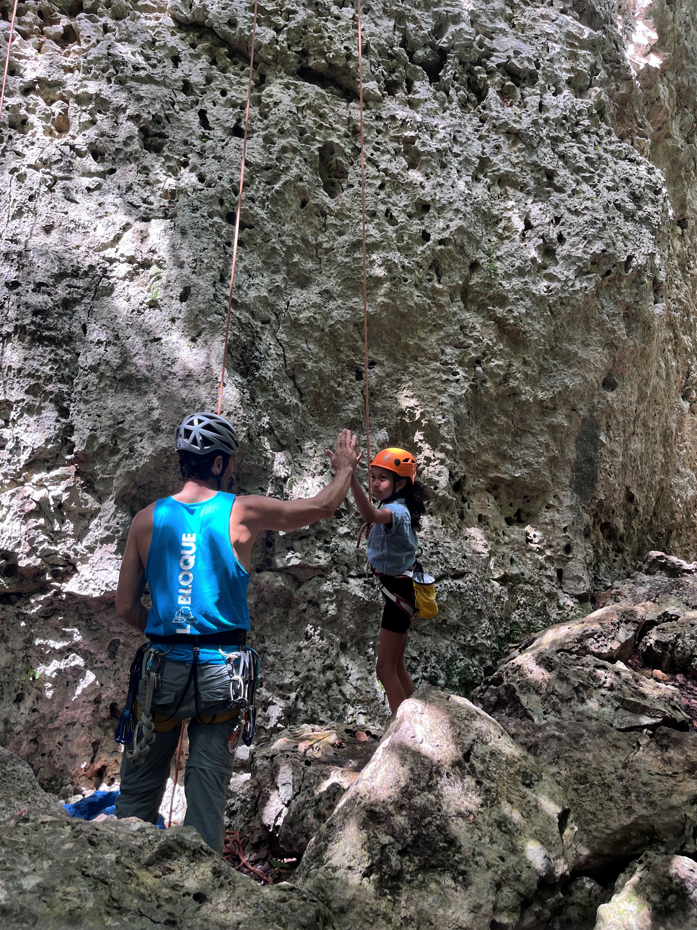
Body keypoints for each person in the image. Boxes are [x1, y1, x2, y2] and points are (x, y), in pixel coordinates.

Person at [114, 412, 358, 852]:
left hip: (162, 669)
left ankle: (120, 876)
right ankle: (201, 894)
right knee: (206, 794)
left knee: (136, 795)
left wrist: (165, 631)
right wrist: (344, 469)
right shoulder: (241, 510)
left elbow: (126, 606)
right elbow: (321, 507)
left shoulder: (145, 520)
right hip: (220, 671)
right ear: (222, 463)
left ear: (182, 460)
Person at [350, 447, 429, 714]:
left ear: (401, 484)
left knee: (384, 669)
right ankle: (420, 719)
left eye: (382, 478)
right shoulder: (397, 509)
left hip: (398, 596)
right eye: (372, 477)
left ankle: (403, 730)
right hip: (401, 593)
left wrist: (350, 477)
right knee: (396, 666)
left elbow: (370, 516)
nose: (374, 484)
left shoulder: (396, 512)